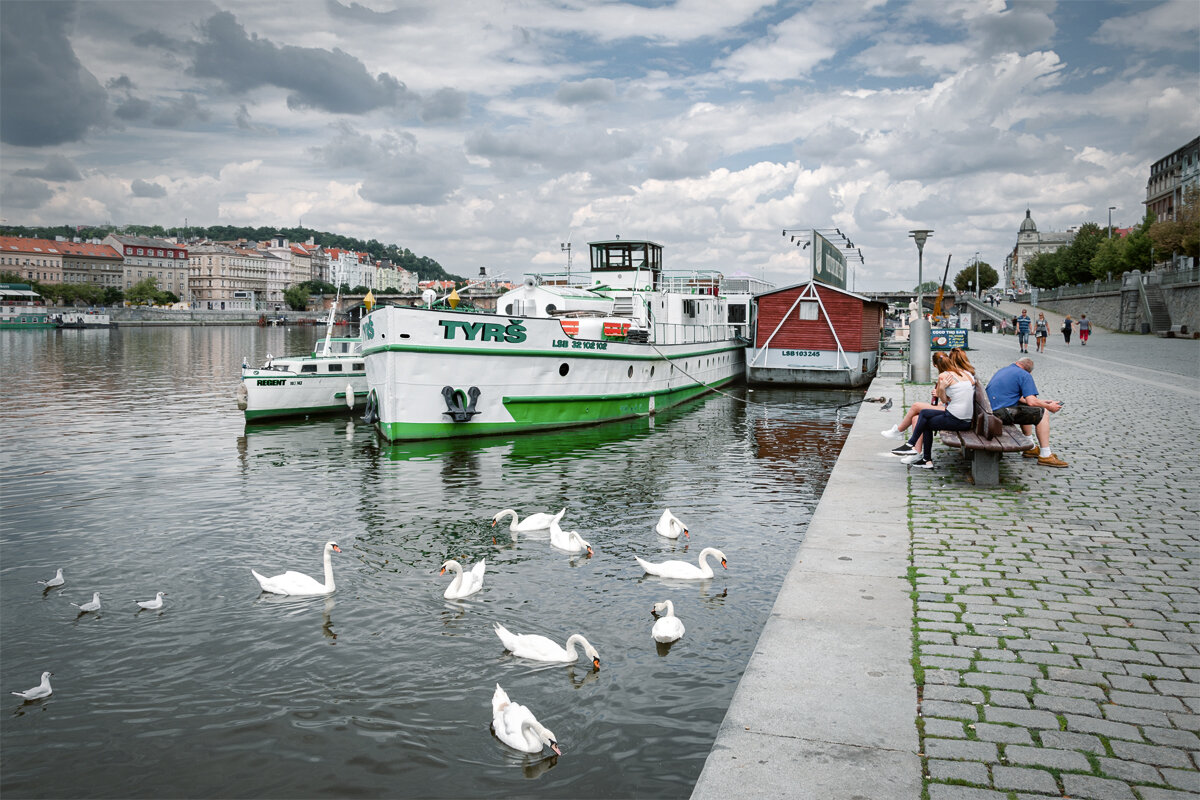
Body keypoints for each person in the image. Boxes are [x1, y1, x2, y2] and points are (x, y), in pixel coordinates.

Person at [898, 348, 977, 469]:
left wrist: (942, 388)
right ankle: (920, 454)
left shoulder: (945, 376)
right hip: (964, 419)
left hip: (957, 419)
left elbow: (945, 400)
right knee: (924, 415)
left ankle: (916, 450)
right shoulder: (968, 376)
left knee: (924, 419)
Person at [985, 357, 1068, 468]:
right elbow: (1031, 401)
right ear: (1030, 371)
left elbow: (1020, 399)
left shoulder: (1004, 370)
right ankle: (1046, 455)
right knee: (1042, 413)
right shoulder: (1025, 375)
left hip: (990, 411)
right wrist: (1049, 406)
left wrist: (1044, 402)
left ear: (1017, 363)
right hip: (1001, 413)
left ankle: (1032, 448)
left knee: (1027, 408)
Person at [881, 352, 949, 455]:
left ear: (935, 365)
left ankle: (899, 431)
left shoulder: (943, 376)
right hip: (948, 407)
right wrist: (941, 399)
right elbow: (953, 397)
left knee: (916, 406)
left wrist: (940, 394)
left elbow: (949, 400)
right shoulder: (953, 375)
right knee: (915, 418)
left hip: (951, 411)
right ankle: (916, 453)